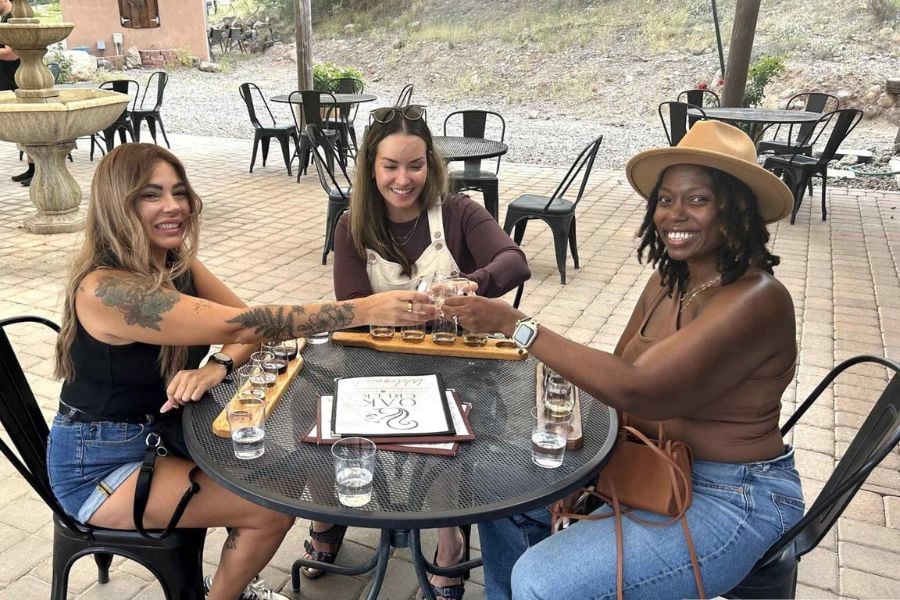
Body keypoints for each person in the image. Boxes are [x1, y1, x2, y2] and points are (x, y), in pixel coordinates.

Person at [49, 143, 434, 600]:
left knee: (289, 474)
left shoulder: (172, 262)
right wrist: (362, 309)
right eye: (151, 195)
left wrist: (218, 365)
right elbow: (245, 324)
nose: (174, 206)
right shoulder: (105, 291)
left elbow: (250, 332)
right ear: (118, 205)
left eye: (179, 192)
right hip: (101, 467)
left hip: (165, 434)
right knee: (270, 510)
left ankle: (232, 579)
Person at [443, 120, 805, 599]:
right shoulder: (670, 280)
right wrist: (586, 467)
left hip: (730, 495)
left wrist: (516, 325)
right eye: (665, 199)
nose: (675, 214)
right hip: (648, 463)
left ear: (736, 210)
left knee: (542, 580)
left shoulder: (757, 299)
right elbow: (610, 382)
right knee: (501, 488)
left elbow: (637, 387)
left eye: (698, 199)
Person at [302, 104, 529, 599]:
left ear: (431, 165)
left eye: (415, 165)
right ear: (371, 167)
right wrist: (380, 309)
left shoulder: (458, 211)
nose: (403, 179)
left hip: (455, 359)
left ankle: (449, 542)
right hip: (375, 361)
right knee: (310, 410)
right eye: (390, 166)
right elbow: (350, 307)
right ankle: (327, 519)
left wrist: (472, 282)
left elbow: (514, 261)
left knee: (450, 424)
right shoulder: (352, 226)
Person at [0, 0, 32, 187]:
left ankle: (36, 169)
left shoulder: (13, 18)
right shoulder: (5, 18)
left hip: (17, 81)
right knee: (24, 128)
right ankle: (32, 167)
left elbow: (13, 54)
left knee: (28, 126)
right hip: (10, 81)